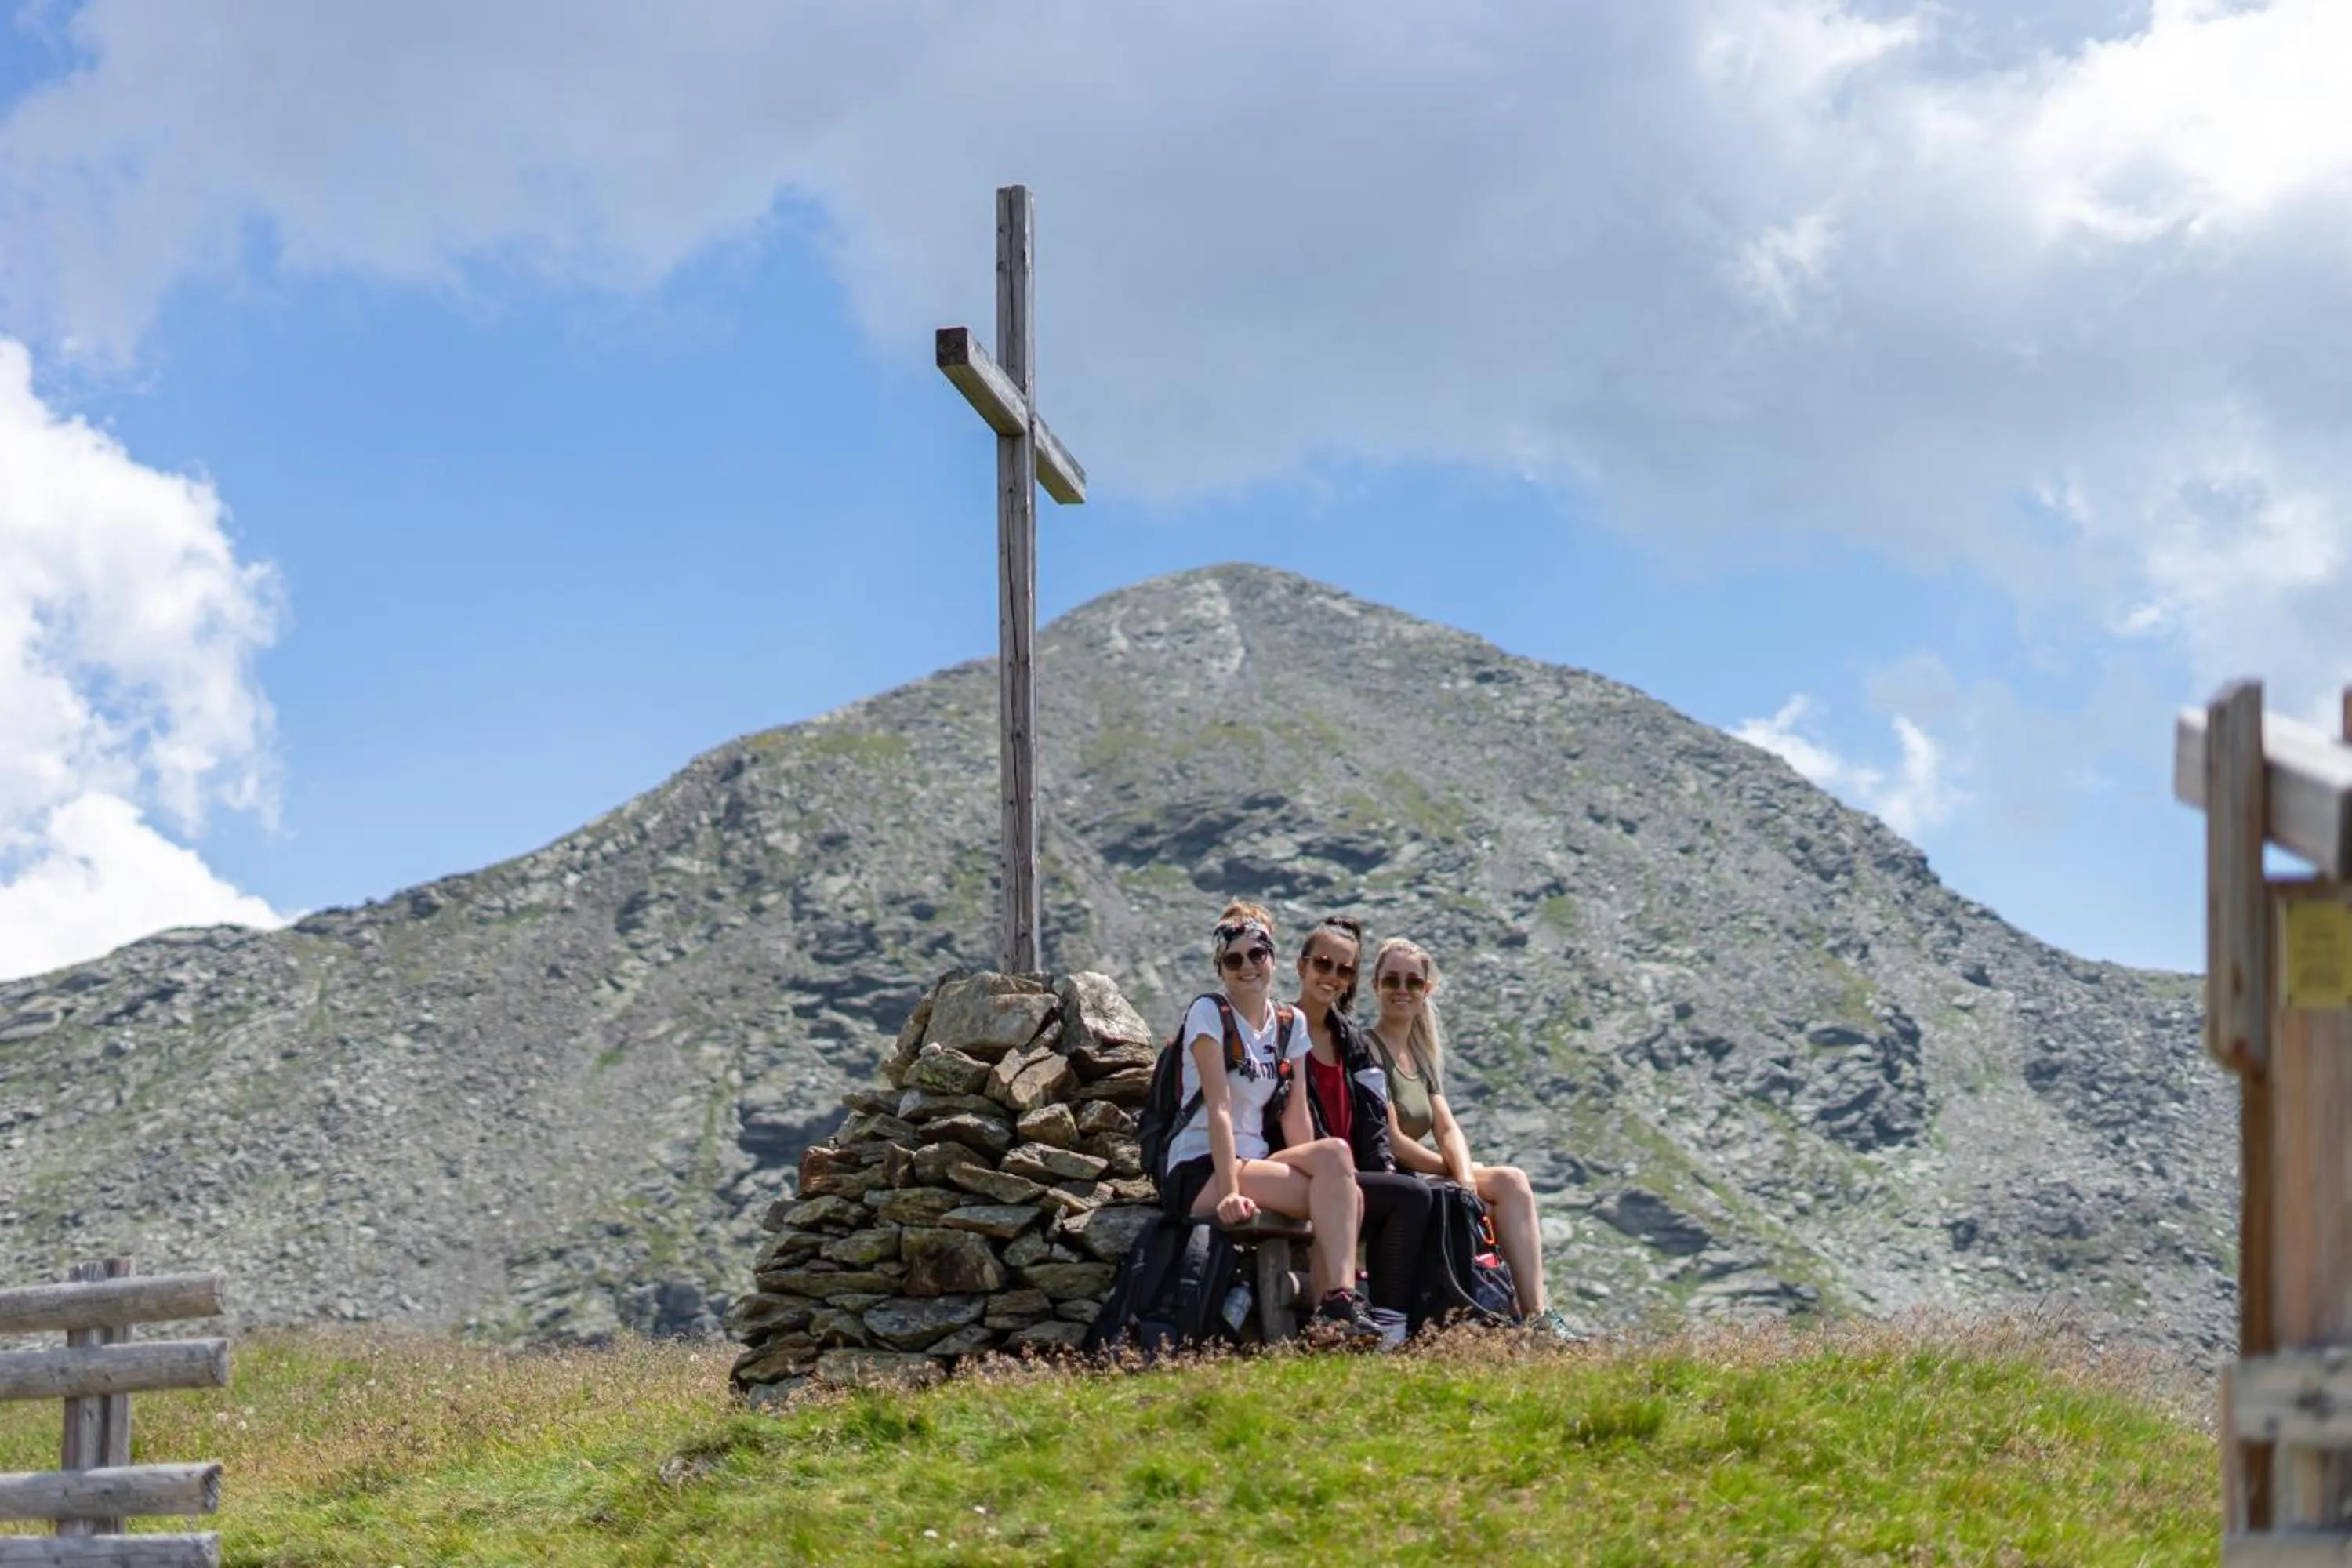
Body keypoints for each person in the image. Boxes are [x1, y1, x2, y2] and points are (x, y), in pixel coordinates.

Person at [1163, 902, 1383, 1344]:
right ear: (1221, 969)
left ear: (1273, 958)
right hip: (1202, 1169)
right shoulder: (1209, 1012)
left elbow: (1296, 1112)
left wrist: (1312, 1168)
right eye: (1233, 959)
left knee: (1345, 1190)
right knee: (1340, 1180)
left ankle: (1332, 1318)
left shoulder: (1290, 1022)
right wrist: (1228, 1194)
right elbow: (1219, 1108)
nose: (1247, 967)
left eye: (1256, 955)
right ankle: (1337, 1308)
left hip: (1252, 1165)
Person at [1365, 935, 1578, 1338]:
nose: (1402, 990)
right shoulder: (1369, 1049)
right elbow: (1391, 1139)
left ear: (1425, 990)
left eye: (1412, 982)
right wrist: (1454, 1174)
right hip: (1394, 1177)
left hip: (1425, 1174)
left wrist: (1464, 1179)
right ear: (1375, 985)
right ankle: (1519, 1316)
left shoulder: (1419, 1055)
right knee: (1501, 1186)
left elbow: (1446, 1127)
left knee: (1509, 1182)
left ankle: (1535, 1315)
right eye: (1392, 981)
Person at [1282, 915, 1432, 1337]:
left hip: (1352, 1169)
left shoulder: (1351, 1040)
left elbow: (1373, 1120)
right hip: (1306, 1169)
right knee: (1412, 1195)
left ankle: (1413, 1322)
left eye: (1344, 970)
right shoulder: (1276, 1031)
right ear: (1302, 967)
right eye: (1323, 965)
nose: (1332, 977)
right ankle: (1389, 1324)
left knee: (1426, 1195)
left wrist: (1383, 1168)